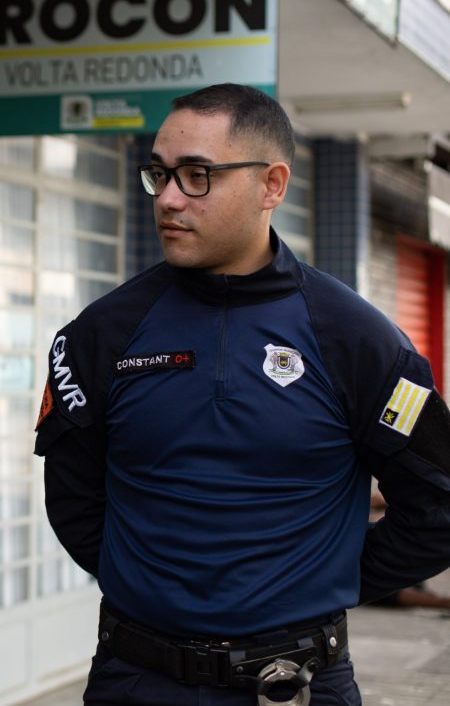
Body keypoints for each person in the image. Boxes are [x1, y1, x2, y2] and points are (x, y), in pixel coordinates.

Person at [34, 83, 450, 705]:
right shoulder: (100, 334)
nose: (169, 199)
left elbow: (440, 504)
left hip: (297, 686)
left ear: (272, 186)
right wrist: (157, 589)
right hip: (136, 679)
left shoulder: (357, 340)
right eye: (160, 174)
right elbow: (74, 503)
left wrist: (321, 581)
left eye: (197, 175)